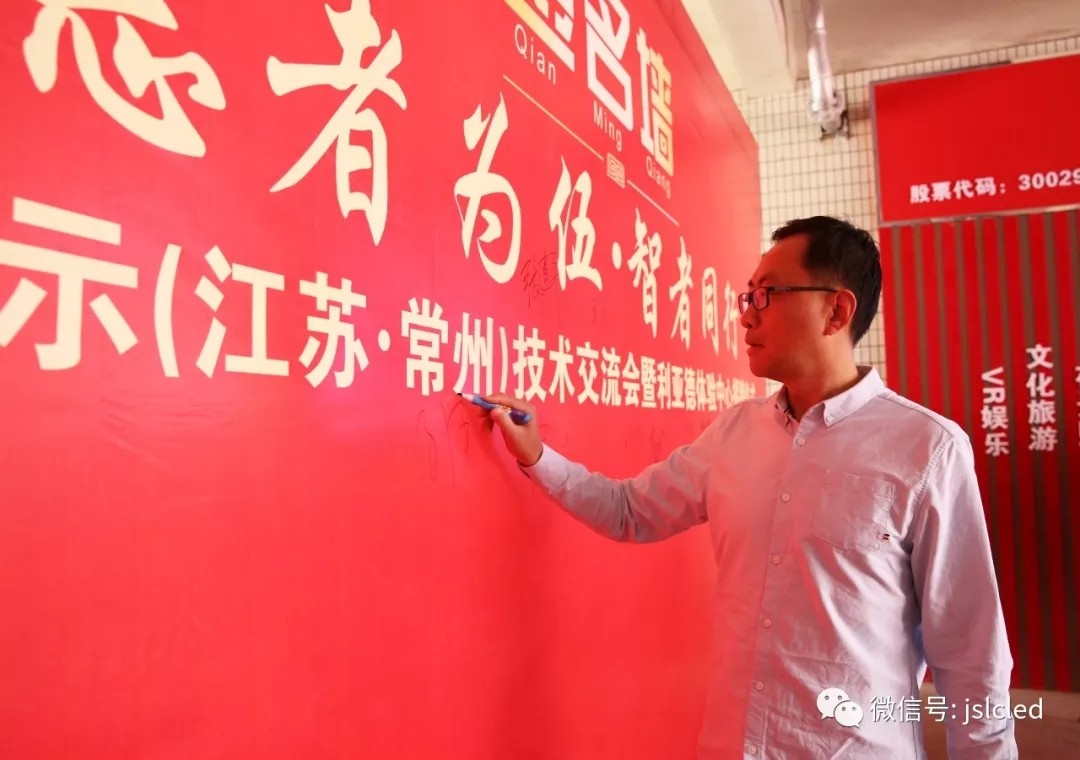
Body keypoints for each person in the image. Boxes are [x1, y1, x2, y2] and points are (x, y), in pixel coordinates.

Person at [483, 216, 1017, 759]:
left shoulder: (926, 449)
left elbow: (971, 655)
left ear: (836, 310)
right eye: (748, 295)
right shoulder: (735, 433)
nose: (746, 314)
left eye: (768, 294)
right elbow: (628, 511)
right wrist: (536, 455)